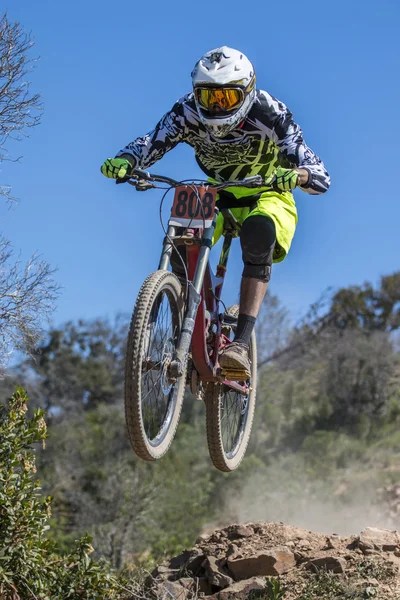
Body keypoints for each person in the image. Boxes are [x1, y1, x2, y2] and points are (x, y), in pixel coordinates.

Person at [101, 46, 330, 378]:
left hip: (267, 193)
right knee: (181, 237)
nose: (215, 106)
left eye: (225, 98)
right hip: (216, 192)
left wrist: (299, 174)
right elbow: (152, 141)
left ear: (247, 91)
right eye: (208, 98)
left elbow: (319, 173)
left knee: (258, 234)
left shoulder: (271, 113)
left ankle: (239, 343)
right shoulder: (187, 111)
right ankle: (190, 327)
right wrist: (127, 160)